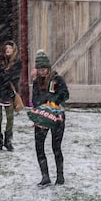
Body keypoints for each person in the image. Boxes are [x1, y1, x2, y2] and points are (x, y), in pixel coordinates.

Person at [28, 50, 69, 187]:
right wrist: (41, 106)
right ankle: (45, 176)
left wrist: (54, 99)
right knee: (39, 146)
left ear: (48, 68)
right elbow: (34, 99)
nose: (42, 72)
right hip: (41, 117)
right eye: (39, 69)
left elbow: (65, 94)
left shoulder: (57, 80)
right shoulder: (36, 83)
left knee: (56, 146)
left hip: (57, 117)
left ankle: (60, 176)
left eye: (44, 69)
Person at [0, 40, 22, 152]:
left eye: (10, 48)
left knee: (10, 116)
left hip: (9, 92)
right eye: (6, 48)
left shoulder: (17, 62)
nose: (8, 50)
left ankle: (8, 140)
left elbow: (13, 77)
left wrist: (3, 77)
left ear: (14, 50)